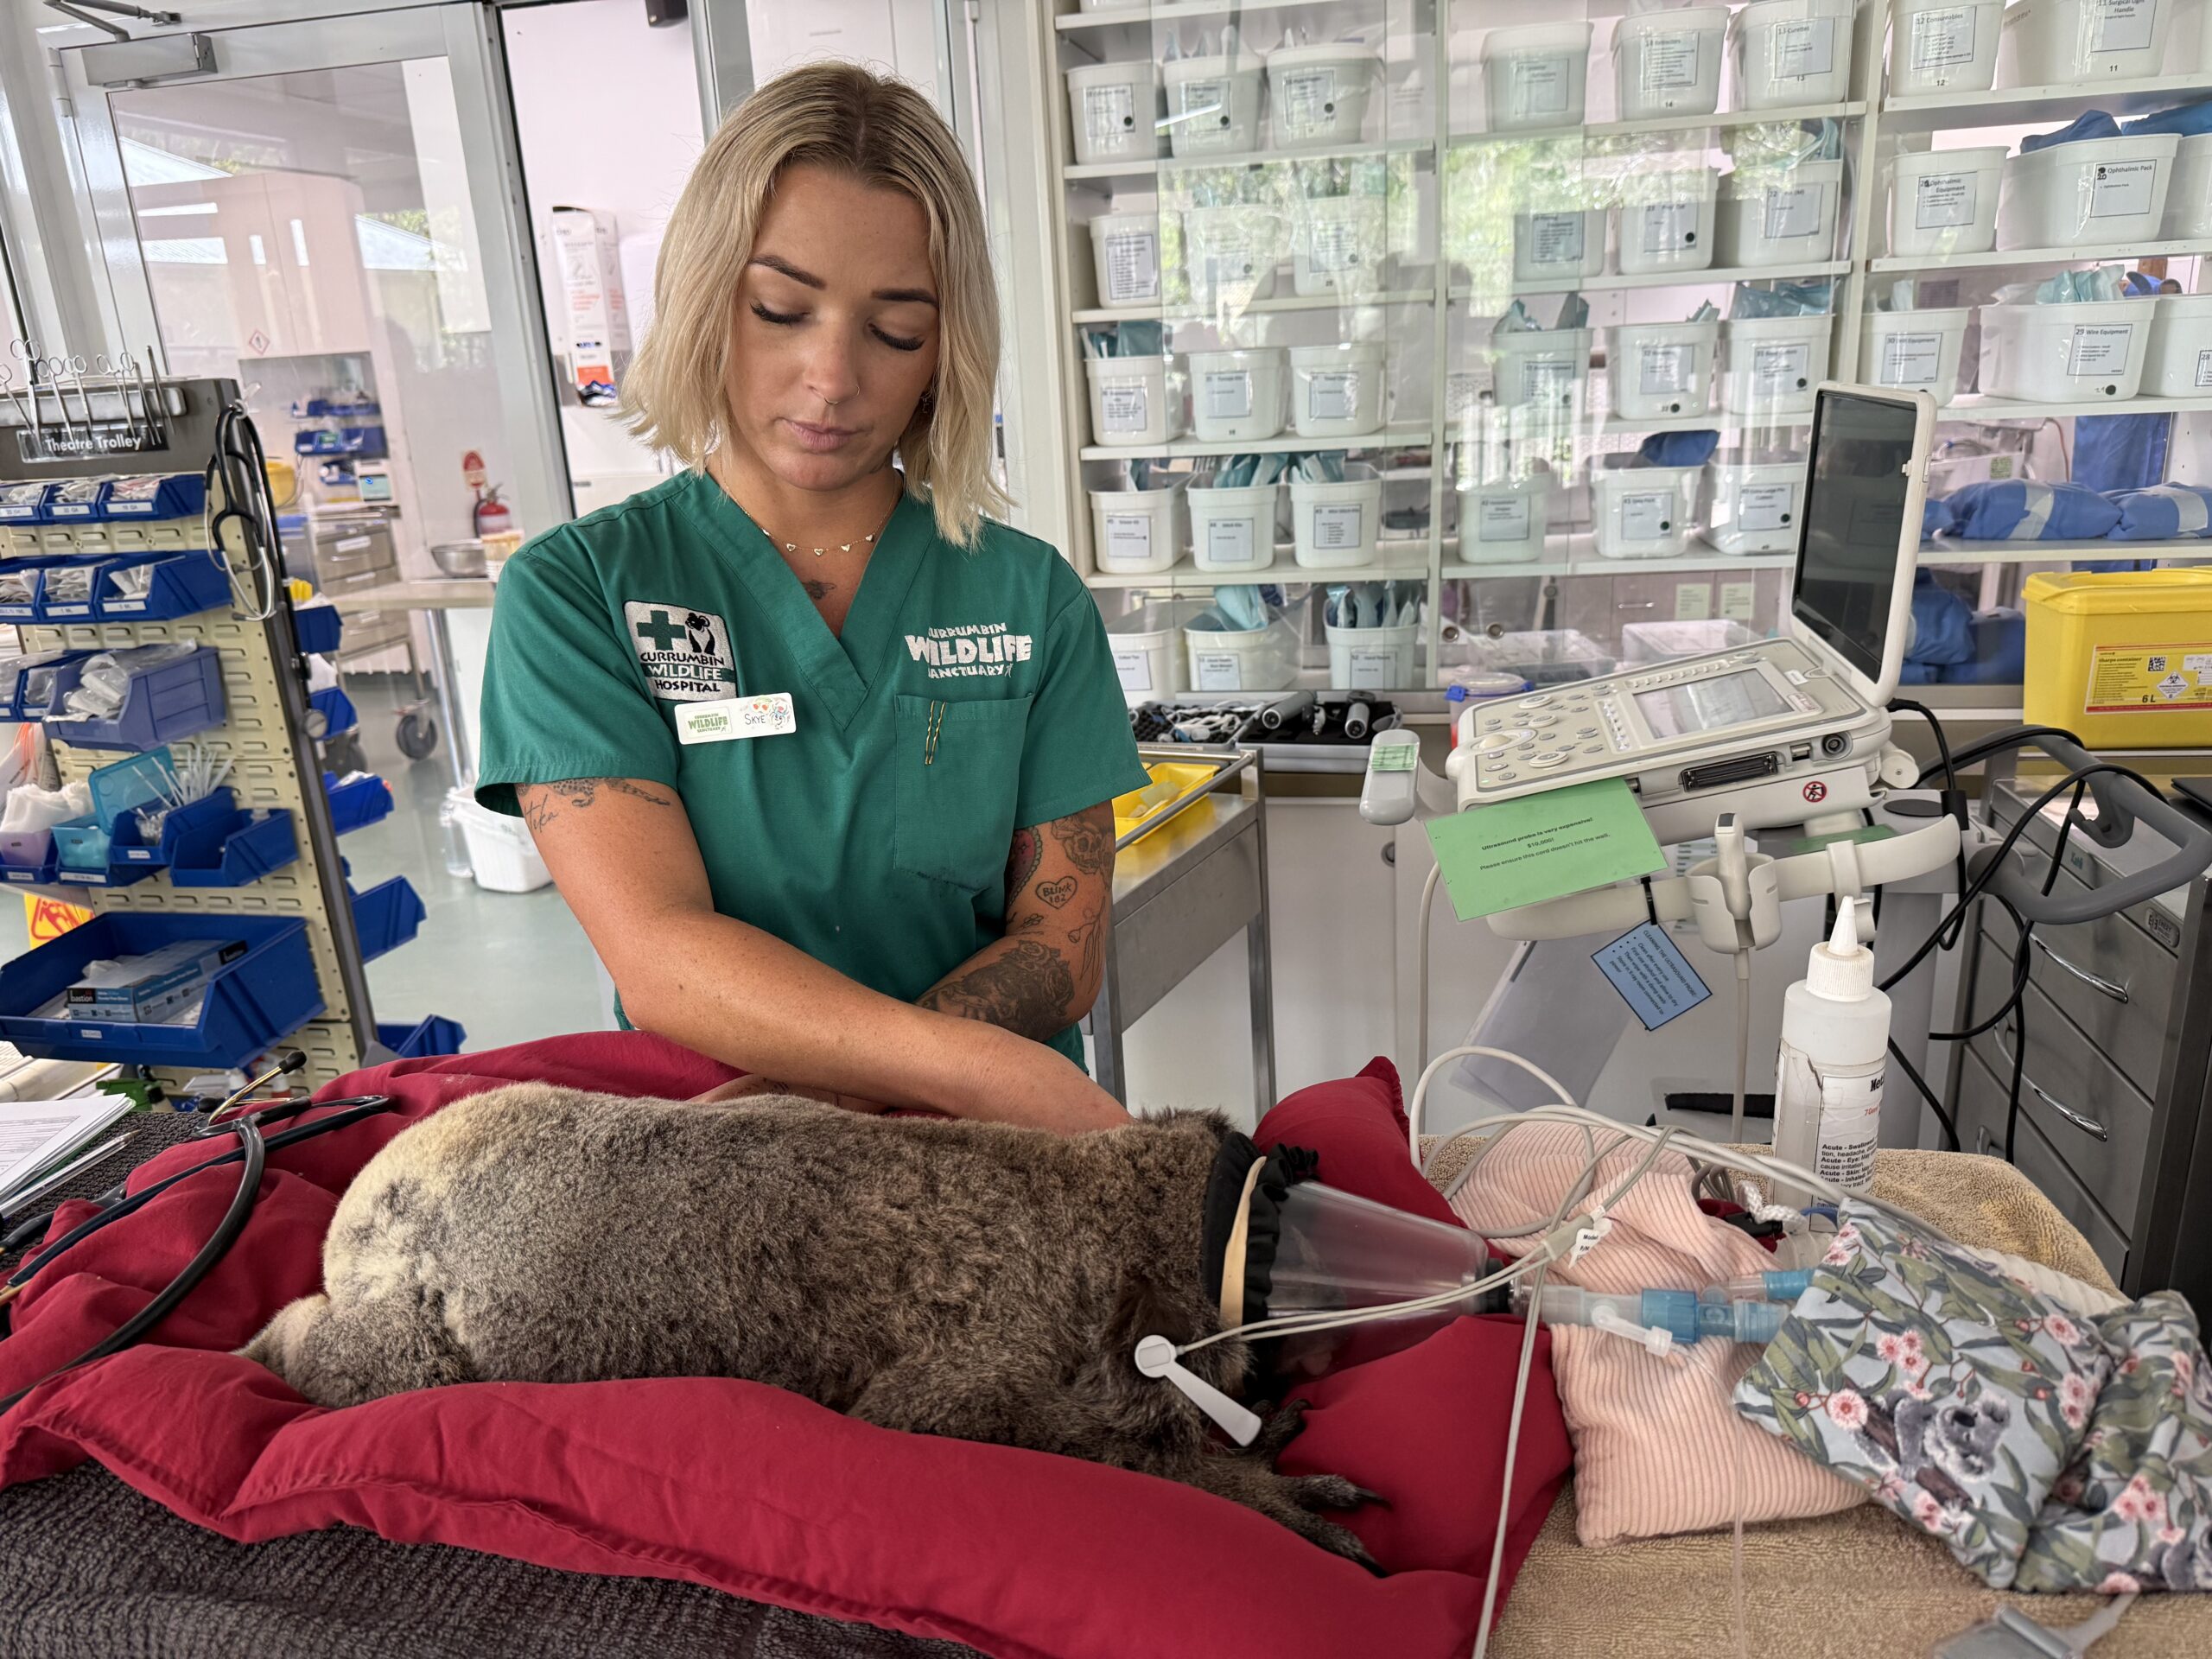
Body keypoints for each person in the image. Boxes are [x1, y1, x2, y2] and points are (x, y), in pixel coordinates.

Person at [475, 63, 1147, 1133]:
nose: (832, 378)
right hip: (727, 1161)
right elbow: (658, 951)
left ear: (946, 353)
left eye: (895, 331)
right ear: (705, 298)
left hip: (995, 1160)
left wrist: (851, 1098)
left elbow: (1060, 951)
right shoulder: (579, 594)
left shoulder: (1027, 598)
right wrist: (949, 1073)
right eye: (780, 310)